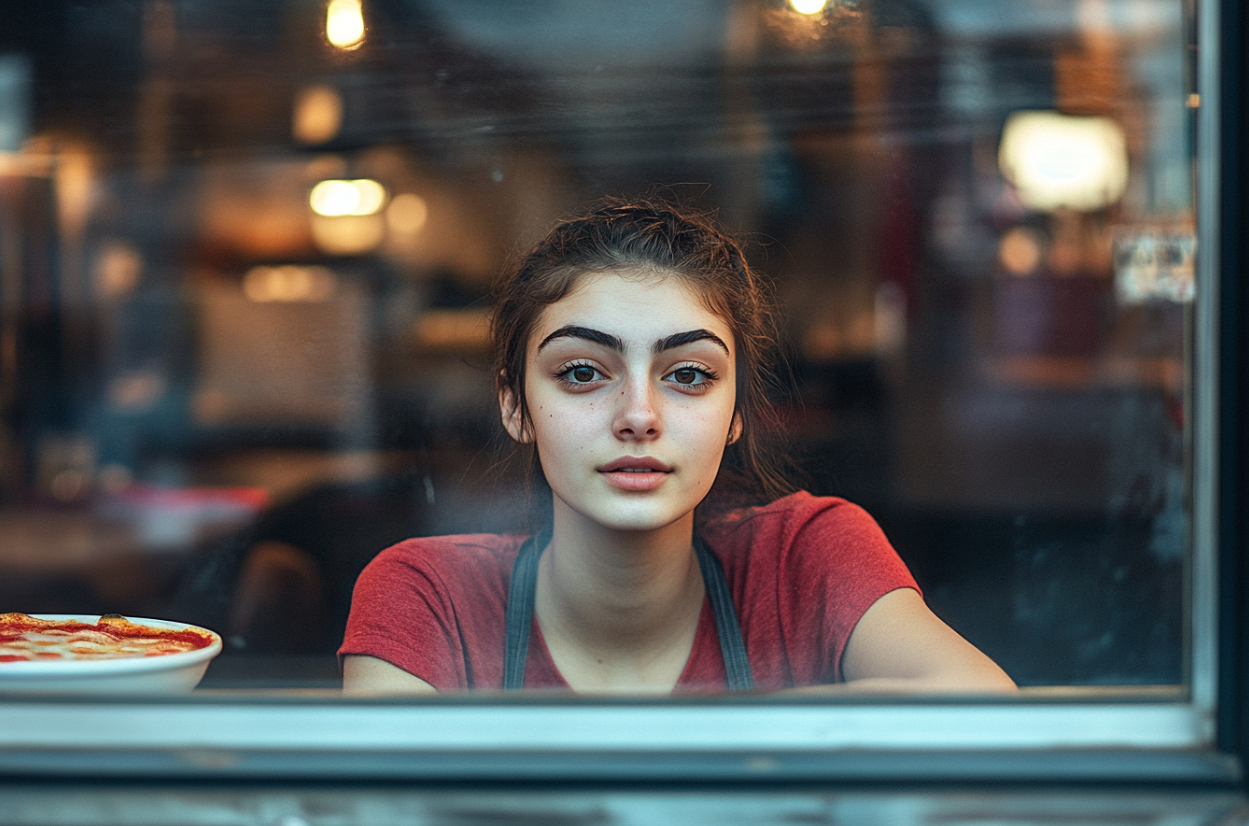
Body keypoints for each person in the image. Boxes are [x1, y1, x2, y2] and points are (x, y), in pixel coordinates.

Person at [340, 200, 1016, 694]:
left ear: (736, 414)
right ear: (514, 405)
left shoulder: (807, 558)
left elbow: (984, 718)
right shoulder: (429, 594)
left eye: (688, 375)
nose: (639, 416)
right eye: (582, 373)